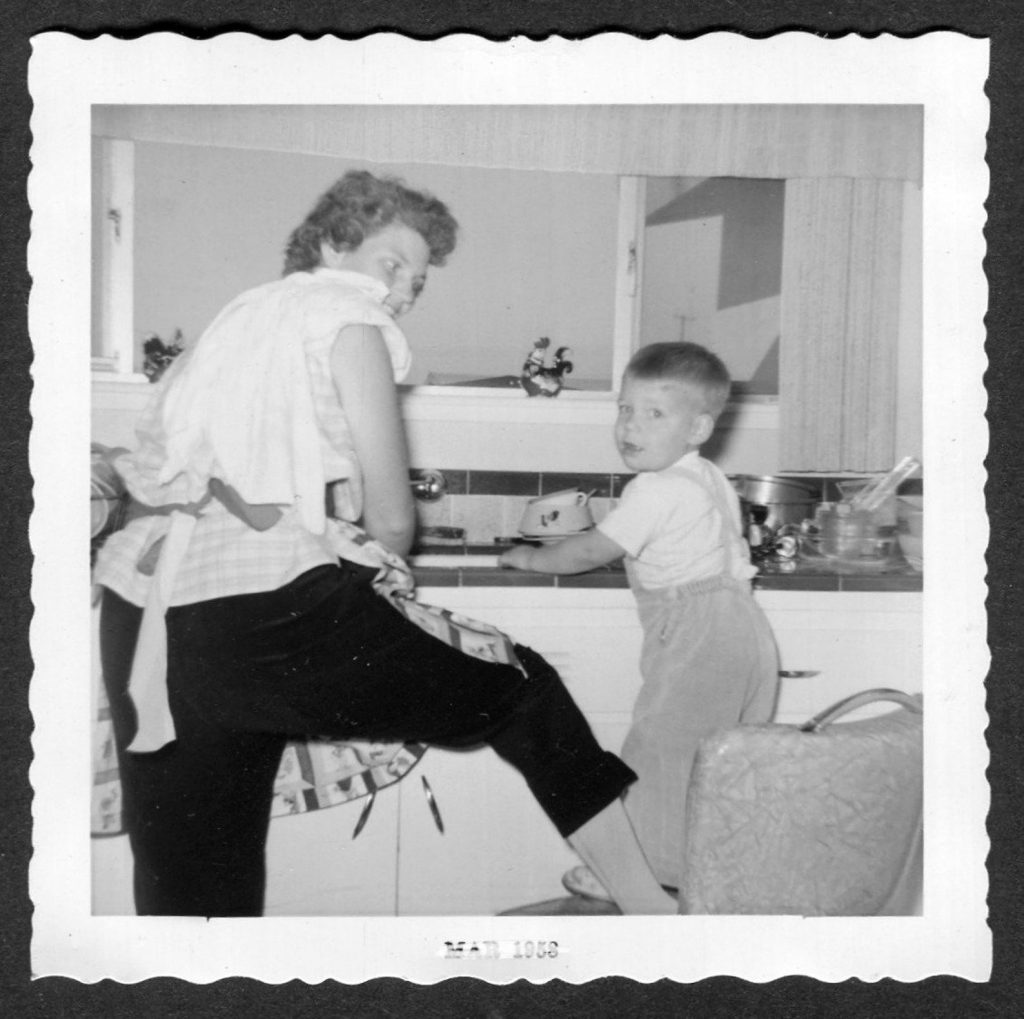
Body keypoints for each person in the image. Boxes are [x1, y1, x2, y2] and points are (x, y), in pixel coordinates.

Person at [93, 169, 676, 917]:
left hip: (144, 611)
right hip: (265, 607)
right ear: (334, 246)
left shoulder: (231, 325)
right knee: (524, 690)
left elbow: (153, 477)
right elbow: (393, 516)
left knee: (197, 884)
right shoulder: (348, 314)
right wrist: (385, 582)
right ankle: (655, 918)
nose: (401, 289)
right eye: (390, 264)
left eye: (418, 280)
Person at [501, 341, 779, 897]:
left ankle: (643, 874)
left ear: (698, 427)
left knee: (661, 751)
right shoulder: (708, 477)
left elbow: (586, 552)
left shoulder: (656, 487)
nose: (631, 425)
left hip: (699, 633)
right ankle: (707, 871)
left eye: (655, 413)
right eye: (625, 408)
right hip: (747, 631)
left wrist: (529, 556)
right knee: (725, 763)